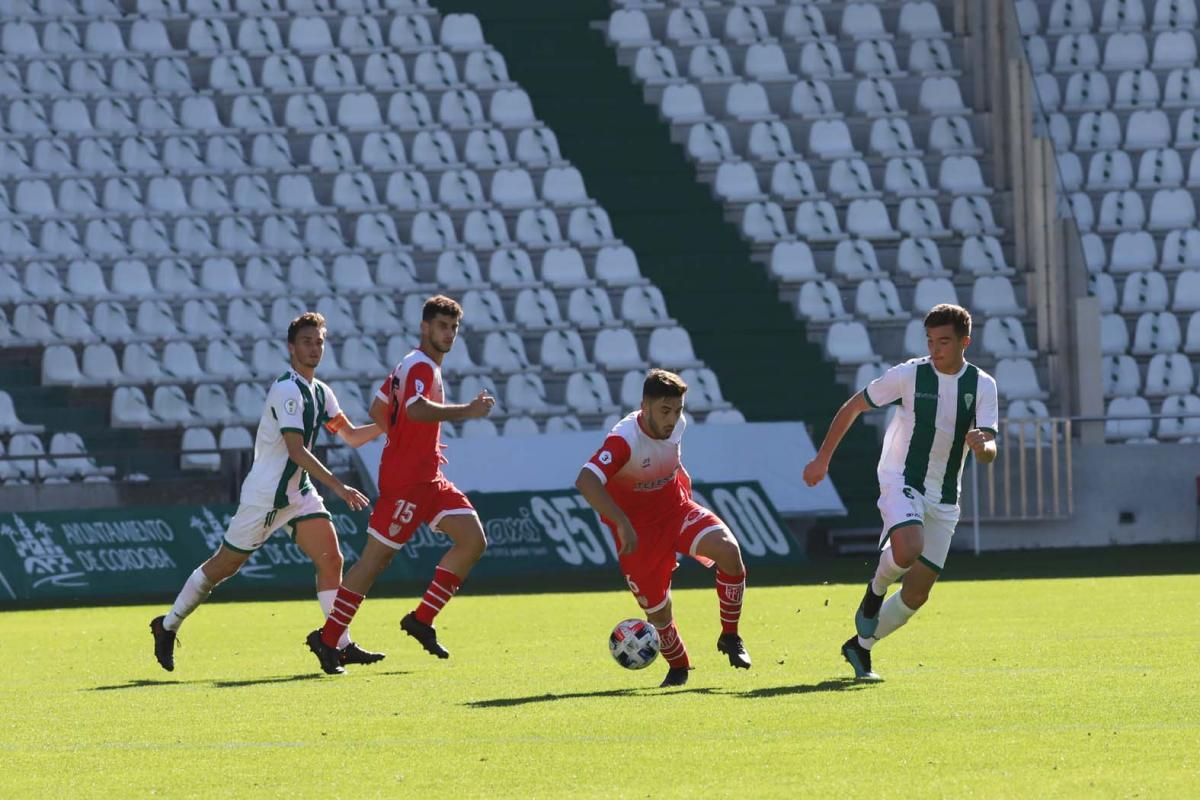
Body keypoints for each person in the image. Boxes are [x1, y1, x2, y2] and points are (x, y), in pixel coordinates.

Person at [149, 312, 382, 673]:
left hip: (297, 491)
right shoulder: (287, 389)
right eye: (306, 341)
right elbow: (296, 450)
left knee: (331, 558)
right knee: (223, 567)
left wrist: (389, 425)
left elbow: (349, 435)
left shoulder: (321, 392)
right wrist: (339, 486)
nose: (314, 348)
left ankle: (338, 642)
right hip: (266, 496)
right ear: (291, 348)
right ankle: (167, 625)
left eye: (319, 341)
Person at [802, 304, 998, 681]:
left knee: (917, 594)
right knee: (908, 547)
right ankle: (874, 593)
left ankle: (860, 646)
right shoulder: (909, 375)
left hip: (944, 495)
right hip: (900, 477)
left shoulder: (982, 385)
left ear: (964, 343)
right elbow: (853, 406)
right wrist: (822, 459)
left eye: (944, 341)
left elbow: (989, 451)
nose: (936, 348)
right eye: (930, 341)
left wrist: (981, 446)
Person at [307, 295, 495, 674]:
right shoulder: (422, 366)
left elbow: (379, 408)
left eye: (454, 327)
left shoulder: (409, 364)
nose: (449, 334)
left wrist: (405, 439)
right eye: (442, 326)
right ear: (425, 328)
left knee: (473, 539)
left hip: (429, 476)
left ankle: (421, 620)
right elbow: (414, 409)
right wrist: (467, 411)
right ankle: (328, 640)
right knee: (376, 560)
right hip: (407, 480)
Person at [575, 369, 751, 688]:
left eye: (678, 410)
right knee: (659, 614)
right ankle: (679, 667)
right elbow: (586, 481)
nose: (672, 419)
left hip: (675, 511)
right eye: (665, 411)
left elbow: (669, 456)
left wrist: (682, 475)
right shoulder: (623, 440)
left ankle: (730, 635)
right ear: (645, 406)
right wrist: (622, 522)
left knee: (729, 551)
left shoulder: (678, 425)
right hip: (638, 534)